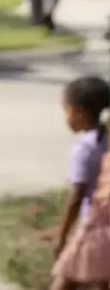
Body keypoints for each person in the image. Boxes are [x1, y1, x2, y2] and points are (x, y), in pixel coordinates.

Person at [50, 76, 110, 290]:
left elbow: (76, 195)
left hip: (93, 224)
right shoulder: (106, 141)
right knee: (101, 280)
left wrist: (62, 234)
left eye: (66, 110)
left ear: (79, 113)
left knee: (66, 276)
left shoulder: (84, 148)